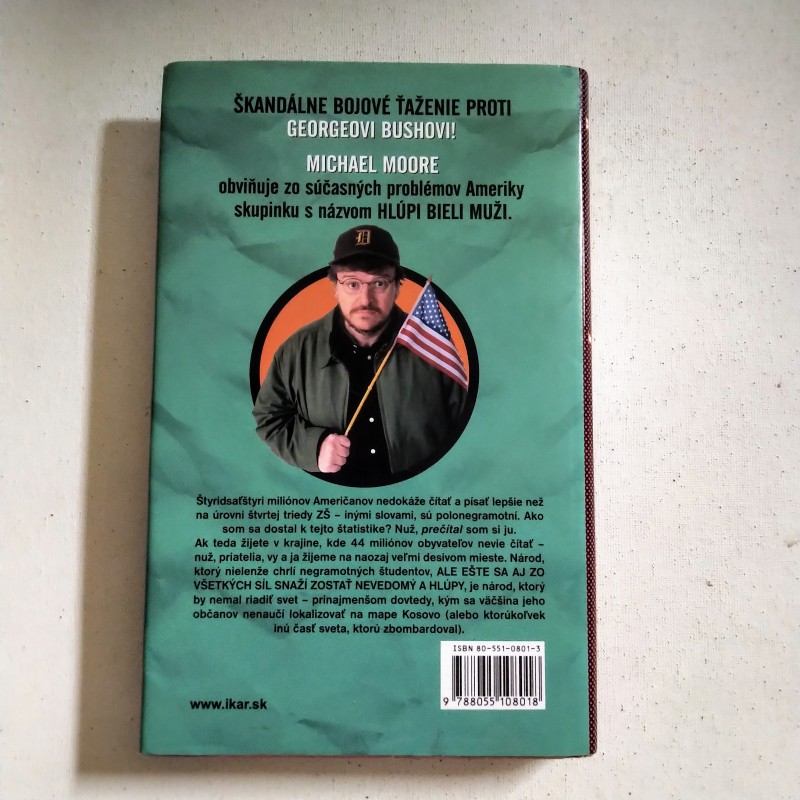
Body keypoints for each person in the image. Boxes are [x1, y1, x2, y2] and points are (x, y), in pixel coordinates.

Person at [252, 225, 468, 486]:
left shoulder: (434, 350)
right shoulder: (296, 351)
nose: (366, 299)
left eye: (379, 283)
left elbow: (468, 429)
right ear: (335, 287)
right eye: (352, 284)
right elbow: (269, 419)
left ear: (397, 287)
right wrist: (314, 447)